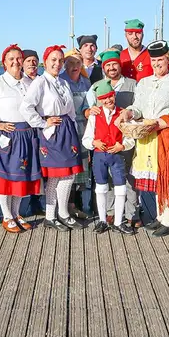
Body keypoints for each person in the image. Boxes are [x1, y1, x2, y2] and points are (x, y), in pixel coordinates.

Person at [118, 40, 169, 238]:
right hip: (148, 136)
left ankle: (168, 219)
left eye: (161, 59)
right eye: (154, 60)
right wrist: (129, 113)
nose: (157, 63)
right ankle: (161, 216)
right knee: (159, 178)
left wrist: (162, 122)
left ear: (168, 60)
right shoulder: (144, 82)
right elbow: (138, 107)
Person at [0, 44, 42, 233]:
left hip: (26, 135)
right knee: (6, 177)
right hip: (7, 136)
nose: (15, 62)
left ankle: (16, 213)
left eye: (18, 58)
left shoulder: (29, 83)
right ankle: (6, 215)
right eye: (11, 59)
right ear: (4, 62)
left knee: (20, 176)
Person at [21, 45, 84, 231]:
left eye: (60, 60)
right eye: (53, 60)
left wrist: (72, 127)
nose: (57, 64)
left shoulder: (63, 83)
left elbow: (71, 110)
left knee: (70, 175)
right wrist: (42, 122)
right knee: (56, 176)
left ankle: (63, 213)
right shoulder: (40, 82)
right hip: (52, 132)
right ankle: (50, 216)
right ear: (45, 62)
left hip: (67, 131)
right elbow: (26, 107)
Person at [86, 50, 140, 228]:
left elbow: (139, 107)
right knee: (105, 181)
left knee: (129, 178)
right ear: (103, 68)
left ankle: (132, 213)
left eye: (114, 64)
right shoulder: (98, 85)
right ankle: (109, 214)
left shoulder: (132, 84)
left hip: (123, 137)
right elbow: (87, 108)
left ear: (119, 65)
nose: (111, 67)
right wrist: (88, 112)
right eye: (107, 65)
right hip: (103, 146)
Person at [82, 80, 135, 234]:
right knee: (101, 187)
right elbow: (86, 138)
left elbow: (130, 137)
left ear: (114, 95)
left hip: (117, 155)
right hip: (99, 156)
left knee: (120, 187)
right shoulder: (95, 115)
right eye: (104, 98)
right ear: (99, 100)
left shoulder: (123, 113)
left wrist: (122, 146)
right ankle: (102, 220)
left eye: (110, 96)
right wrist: (94, 142)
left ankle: (118, 222)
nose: (108, 100)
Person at [61, 50, 93, 219]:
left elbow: (89, 104)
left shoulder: (86, 82)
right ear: (65, 64)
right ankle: (65, 205)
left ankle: (75, 203)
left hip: (83, 127)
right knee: (68, 166)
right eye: (71, 63)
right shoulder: (61, 82)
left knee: (81, 168)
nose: (74, 67)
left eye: (77, 63)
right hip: (67, 127)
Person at [21, 48, 44, 215]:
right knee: (25, 163)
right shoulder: (20, 82)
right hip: (24, 129)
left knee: (40, 163)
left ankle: (37, 200)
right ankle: (22, 200)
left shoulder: (43, 80)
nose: (32, 63)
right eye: (28, 60)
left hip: (42, 127)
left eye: (34, 60)